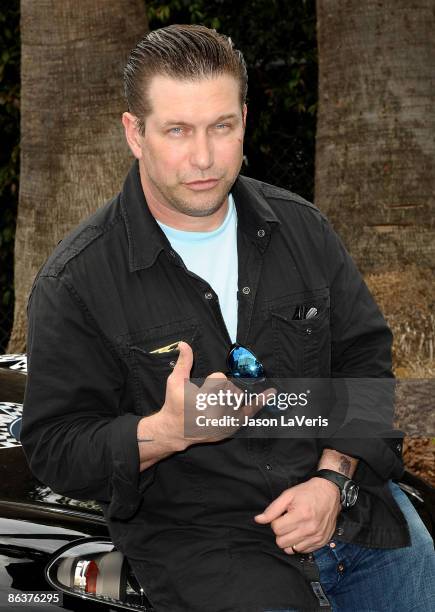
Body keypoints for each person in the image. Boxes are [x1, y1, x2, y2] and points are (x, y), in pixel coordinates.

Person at [21, 24, 434, 612]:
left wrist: (333, 478)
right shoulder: (75, 282)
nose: (204, 157)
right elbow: (56, 448)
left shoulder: (305, 231)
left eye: (222, 126)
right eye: (177, 131)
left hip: (351, 510)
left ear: (245, 118)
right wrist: (166, 432)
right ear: (134, 133)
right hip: (208, 544)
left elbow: (368, 366)